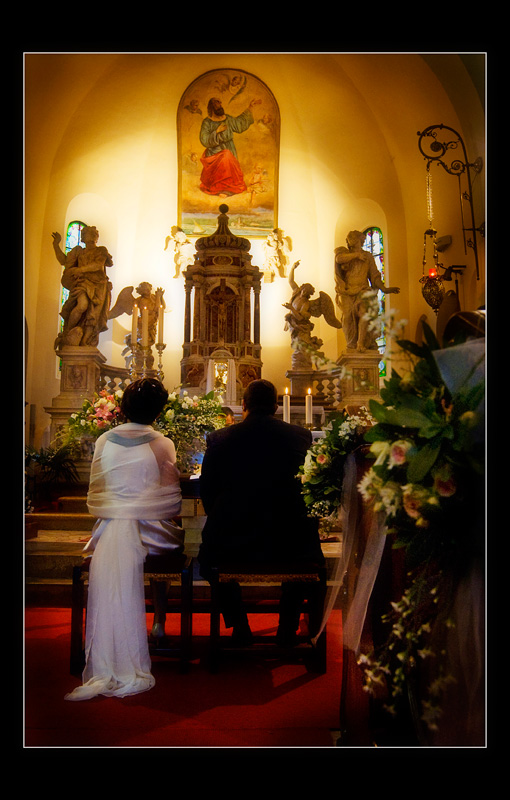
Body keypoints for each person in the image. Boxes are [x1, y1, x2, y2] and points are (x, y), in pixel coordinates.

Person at [65, 378, 183, 701]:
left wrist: (117, 514)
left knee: (116, 539)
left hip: (109, 529)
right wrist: (142, 510)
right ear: (158, 411)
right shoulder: (163, 443)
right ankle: (159, 620)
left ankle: (110, 646)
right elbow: (172, 503)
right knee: (174, 537)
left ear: (124, 407)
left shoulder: (104, 440)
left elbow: (96, 496)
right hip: (151, 536)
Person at [198, 379, 324, 645]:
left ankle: (239, 625)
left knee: (208, 560)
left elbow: (207, 492)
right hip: (291, 544)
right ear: (276, 407)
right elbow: (311, 486)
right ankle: (287, 627)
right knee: (309, 554)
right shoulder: (300, 436)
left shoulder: (219, 438)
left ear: (243, 405)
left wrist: (224, 518)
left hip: (232, 544)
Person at [334, 230, 400, 352]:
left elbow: (374, 276)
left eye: (353, 239)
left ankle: (361, 343)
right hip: (347, 292)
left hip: (363, 289)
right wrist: (356, 255)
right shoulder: (345, 254)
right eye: (350, 239)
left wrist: (384, 289)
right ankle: (351, 344)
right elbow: (338, 259)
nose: (351, 241)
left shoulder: (368, 256)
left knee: (365, 313)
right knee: (347, 317)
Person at [52, 226, 113, 348]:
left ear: (95, 237)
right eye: (83, 234)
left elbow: (98, 265)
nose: (84, 235)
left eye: (87, 233)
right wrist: (56, 245)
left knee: (94, 316)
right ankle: (67, 333)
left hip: (99, 286)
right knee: (82, 305)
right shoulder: (78, 251)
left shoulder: (101, 250)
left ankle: (85, 341)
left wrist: (80, 269)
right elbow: (64, 261)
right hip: (83, 283)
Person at [199, 96, 261, 196]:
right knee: (226, 155)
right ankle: (220, 189)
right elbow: (204, 140)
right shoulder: (207, 122)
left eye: (220, 103)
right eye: (217, 104)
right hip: (214, 154)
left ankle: (227, 190)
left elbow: (239, 124)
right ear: (212, 107)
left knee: (227, 155)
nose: (220, 105)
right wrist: (217, 131)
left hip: (229, 149)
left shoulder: (227, 119)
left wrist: (250, 108)